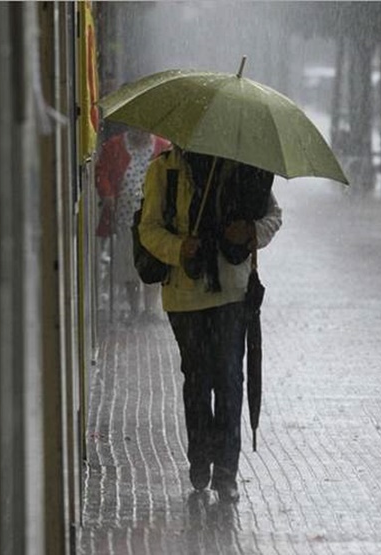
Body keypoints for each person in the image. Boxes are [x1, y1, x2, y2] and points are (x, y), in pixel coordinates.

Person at [138, 145, 282, 502]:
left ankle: (226, 472)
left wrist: (249, 230)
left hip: (231, 293)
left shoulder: (240, 167)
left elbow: (273, 215)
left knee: (230, 377)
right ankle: (200, 456)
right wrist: (178, 248)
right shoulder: (165, 170)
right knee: (198, 378)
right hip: (184, 296)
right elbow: (149, 227)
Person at [95, 127, 170, 323]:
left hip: (154, 218)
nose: (142, 133)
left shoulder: (162, 147)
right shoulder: (115, 146)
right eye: (138, 129)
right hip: (125, 218)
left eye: (145, 130)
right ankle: (135, 308)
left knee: (152, 259)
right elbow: (101, 172)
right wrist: (108, 193)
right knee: (129, 262)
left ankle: (150, 309)